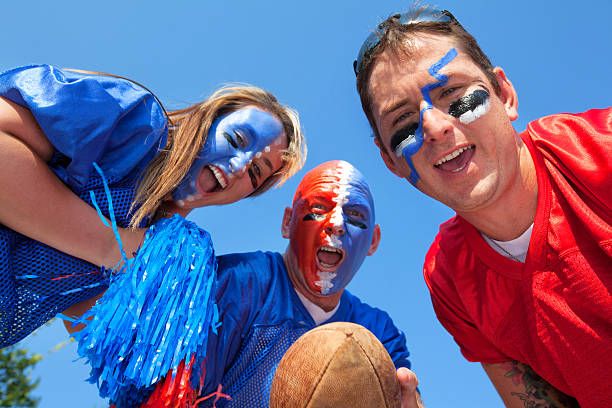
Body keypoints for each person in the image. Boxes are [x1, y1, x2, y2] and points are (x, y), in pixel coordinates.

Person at [353, 5, 611, 408]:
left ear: (505, 94)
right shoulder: (450, 281)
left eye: (454, 95)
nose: (435, 128)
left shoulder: (601, 150)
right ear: (391, 161)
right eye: (403, 124)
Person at [66, 160, 422, 408]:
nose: (337, 225)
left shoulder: (378, 332)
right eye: (316, 210)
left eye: (355, 217)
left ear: (373, 241)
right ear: (287, 223)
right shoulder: (235, 285)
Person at [0, 64, 306, 349]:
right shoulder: (136, 125)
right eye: (236, 139)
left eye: (255, 173)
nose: (240, 166)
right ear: (205, 121)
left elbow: (93, 330)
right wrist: (111, 245)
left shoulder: (160, 249)